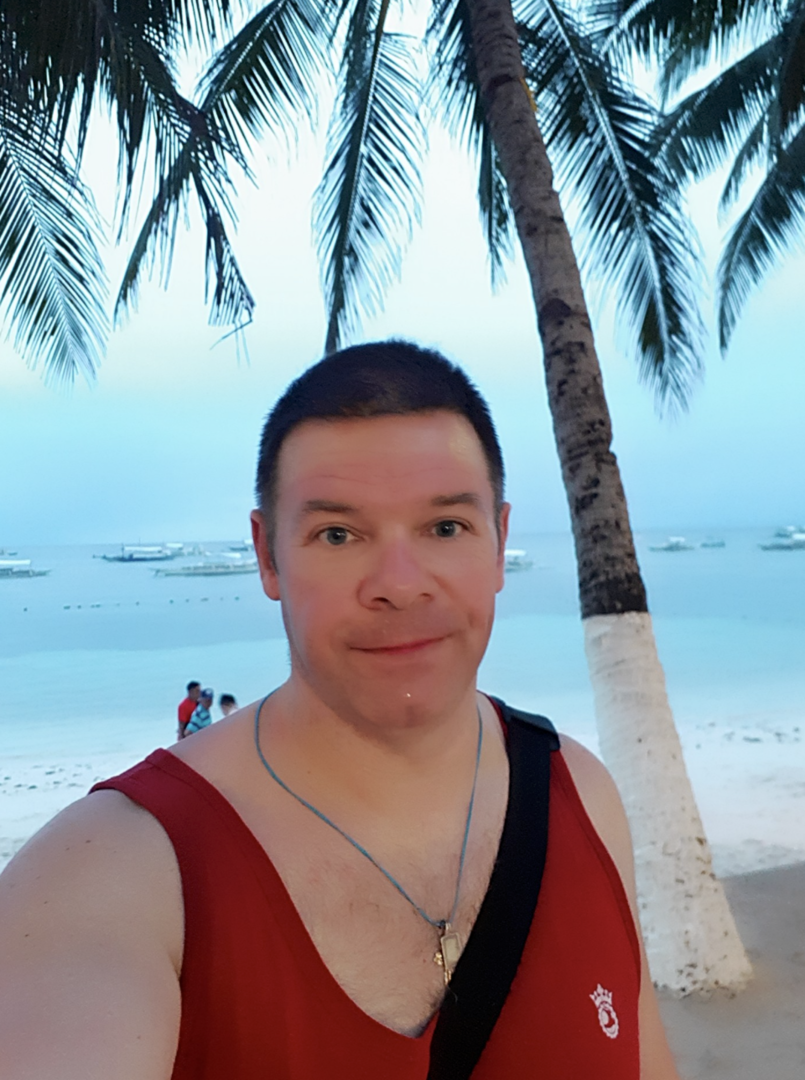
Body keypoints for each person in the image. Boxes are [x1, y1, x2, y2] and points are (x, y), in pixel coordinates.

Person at [0, 341, 681, 1079]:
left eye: (444, 527)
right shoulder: (108, 877)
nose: (400, 584)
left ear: (498, 544)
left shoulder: (580, 793)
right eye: (338, 534)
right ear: (268, 556)